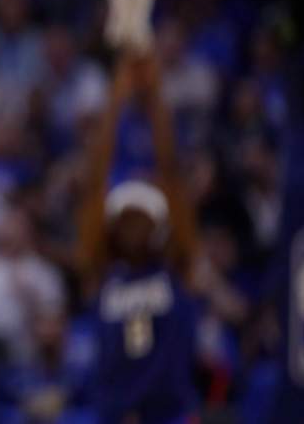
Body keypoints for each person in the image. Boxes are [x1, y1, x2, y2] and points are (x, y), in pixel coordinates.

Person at [78, 52, 200, 424]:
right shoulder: (102, 272)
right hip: (116, 415)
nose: (133, 228)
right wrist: (116, 97)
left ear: (158, 226)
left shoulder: (177, 265)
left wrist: (154, 93)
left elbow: (171, 172)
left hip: (170, 415)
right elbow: (95, 183)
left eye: (142, 219)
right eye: (126, 220)